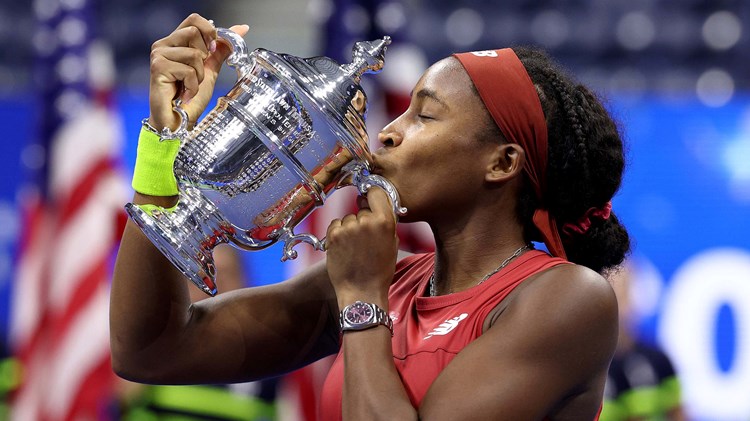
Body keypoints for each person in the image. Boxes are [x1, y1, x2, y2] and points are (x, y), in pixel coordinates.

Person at [110, 13, 630, 420]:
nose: (386, 133)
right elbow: (152, 351)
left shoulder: (568, 300)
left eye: (424, 116)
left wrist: (360, 299)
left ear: (502, 162)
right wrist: (165, 146)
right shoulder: (389, 279)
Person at [114, 245, 279, 420]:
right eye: (201, 277)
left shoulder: (273, 367)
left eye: (225, 275)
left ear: (245, 282)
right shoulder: (146, 358)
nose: (213, 289)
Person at [600, 265, 685, 421]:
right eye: (612, 289)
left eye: (624, 289)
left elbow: (678, 413)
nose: (619, 299)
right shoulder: (585, 368)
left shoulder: (658, 360)